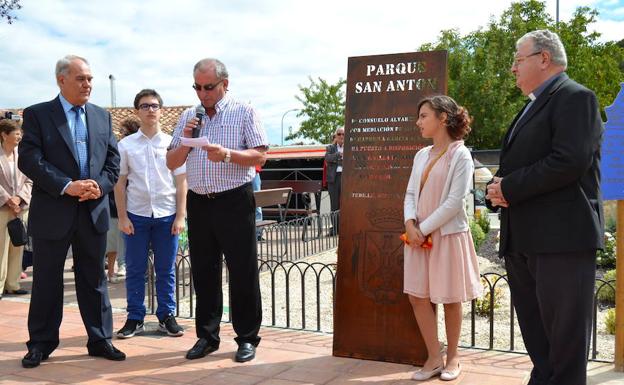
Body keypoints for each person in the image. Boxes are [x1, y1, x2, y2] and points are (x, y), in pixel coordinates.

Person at [485, 30, 603, 385]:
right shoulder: (533, 104)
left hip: (561, 239)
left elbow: (569, 161)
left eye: (518, 60)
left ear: (544, 58)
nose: (512, 69)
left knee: (564, 343)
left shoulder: (575, 97)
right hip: (525, 238)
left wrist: (510, 186)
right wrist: (498, 188)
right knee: (539, 339)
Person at [18, 55, 125, 368]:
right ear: (61, 80)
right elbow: (29, 159)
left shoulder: (102, 117)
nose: (88, 84)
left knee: (93, 279)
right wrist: (67, 185)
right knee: (47, 280)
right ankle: (40, 343)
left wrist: (99, 186)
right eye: (81, 78)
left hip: (93, 209)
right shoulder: (38, 114)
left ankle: (100, 339)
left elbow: (112, 162)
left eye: (90, 78)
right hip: (54, 210)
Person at [166, 58, 268, 363]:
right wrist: (187, 138)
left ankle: (247, 338)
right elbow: (171, 162)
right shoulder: (188, 116)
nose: (202, 93)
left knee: (242, 271)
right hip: (199, 201)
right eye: (197, 87)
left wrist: (226, 155)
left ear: (225, 83)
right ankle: (207, 336)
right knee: (204, 272)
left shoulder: (244, 111)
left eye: (208, 87)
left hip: (234, 200)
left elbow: (260, 154)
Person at [403, 95, 481, 381]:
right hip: (416, 237)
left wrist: (421, 230)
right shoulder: (420, 155)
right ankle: (434, 357)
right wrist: (410, 223)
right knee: (417, 297)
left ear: (443, 118)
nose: (418, 122)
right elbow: (411, 193)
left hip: (446, 236)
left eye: (424, 115)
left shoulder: (460, 155)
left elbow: (454, 203)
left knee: (450, 298)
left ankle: (454, 358)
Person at [115, 88, 187, 339]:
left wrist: (181, 216)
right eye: (145, 106)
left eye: (154, 105)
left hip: (167, 215)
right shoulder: (125, 145)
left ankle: (167, 316)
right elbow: (119, 183)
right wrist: (122, 217)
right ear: (137, 111)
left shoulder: (172, 144)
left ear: (161, 110)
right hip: (136, 215)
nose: (150, 110)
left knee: (166, 270)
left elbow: (181, 182)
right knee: (135, 269)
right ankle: (135, 317)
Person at [0, 118, 32, 298]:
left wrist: (19, 199)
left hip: (20, 208)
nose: (19, 135)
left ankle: (12, 284)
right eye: (16, 132)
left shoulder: (23, 155)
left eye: (20, 132)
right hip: (2, 208)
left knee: (17, 245)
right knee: (1, 248)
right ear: (4, 135)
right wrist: (7, 199)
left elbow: (30, 180)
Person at [324, 127, 344, 236]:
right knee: (334, 205)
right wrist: (338, 155)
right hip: (334, 179)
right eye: (339, 134)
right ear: (336, 136)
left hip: (345, 178)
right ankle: (335, 229)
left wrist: (336, 159)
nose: (341, 136)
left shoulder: (350, 147)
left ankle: (343, 228)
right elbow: (327, 158)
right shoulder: (330, 147)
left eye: (343, 134)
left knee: (345, 205)